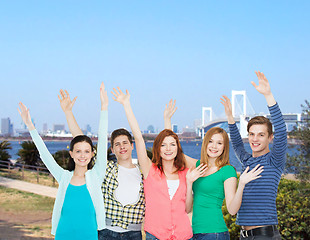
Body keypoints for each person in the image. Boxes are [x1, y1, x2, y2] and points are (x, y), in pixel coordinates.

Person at [17, 83, 108, 240]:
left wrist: (104, 107)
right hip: (63, 234)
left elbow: (103, 138)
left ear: (93, 154)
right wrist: (30, 125)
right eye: (78, 151)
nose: (82, 155)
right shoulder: (64, 177)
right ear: (71, 154)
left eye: (87, 151)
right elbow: (45, 155)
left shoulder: (96, 175)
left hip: (89, 235)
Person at [111, 87, 202, 240]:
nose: (168, 149)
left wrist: (190, 182)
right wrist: (126, 104)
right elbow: (139, 138)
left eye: (173, 145)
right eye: (163, 145)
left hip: (183, 235)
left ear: (178, 148)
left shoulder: (185, 172)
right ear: (157, 149)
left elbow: (187, 209)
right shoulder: (149, 170)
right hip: (156, 235)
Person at [165, 102, 263, 240]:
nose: (214, 146)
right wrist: (167, 120)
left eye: (219, 143)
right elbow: (174, 152)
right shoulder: (198, 166)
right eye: (211, 141)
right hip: (193, 232)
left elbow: (232, 210)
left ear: (224, 147)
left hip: (214, 233)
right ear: (205, 143)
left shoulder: (227, 171)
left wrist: (241, 184)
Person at [58, 90, 144, 240]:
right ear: (112, 149)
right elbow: (80, 139)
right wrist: (68, 112)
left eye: (125, 143)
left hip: (134, 234)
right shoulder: (105, 169)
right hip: (106, 232)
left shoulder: (143, 173)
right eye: (117, 144)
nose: (122, 147)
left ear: (132, 146)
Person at [221, 71, 287, 239]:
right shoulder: (247, 161)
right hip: (244, 235)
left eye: (261, 134)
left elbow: (281, 129)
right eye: (251, 134)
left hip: (265, 235)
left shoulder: (274, 160)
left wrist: (268, 95)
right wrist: (230, 117)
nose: (255, 139)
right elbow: (236, 142)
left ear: (270, 138)